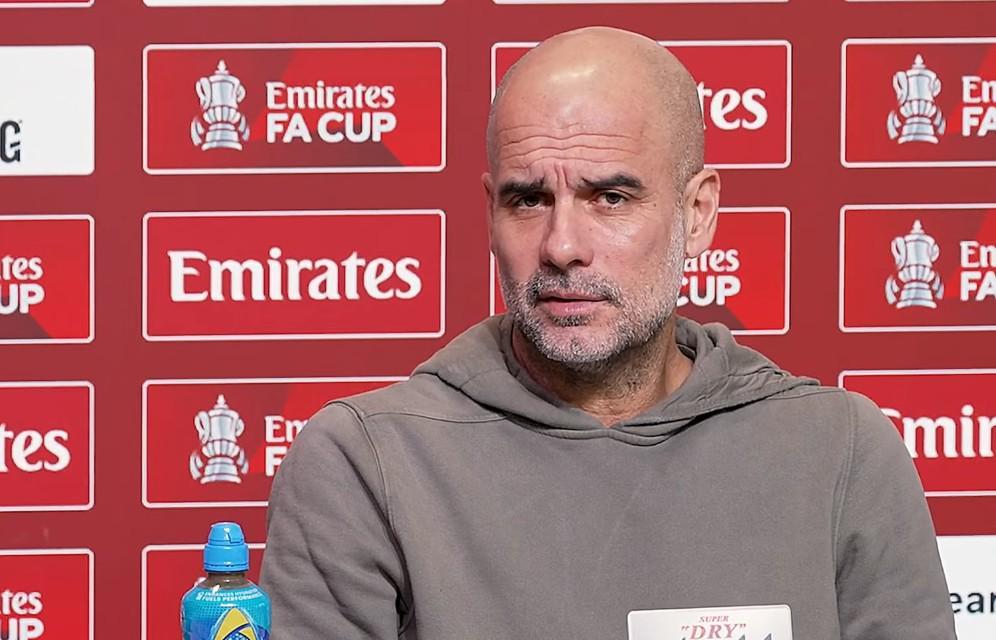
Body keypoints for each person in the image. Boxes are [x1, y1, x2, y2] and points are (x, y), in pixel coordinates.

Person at [260, 26, 956, 639]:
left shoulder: (840, 451)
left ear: (698, 213)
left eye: (611, 197)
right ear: (490, 214)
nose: (562, 245)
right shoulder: (365, 461)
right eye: (529, 200)